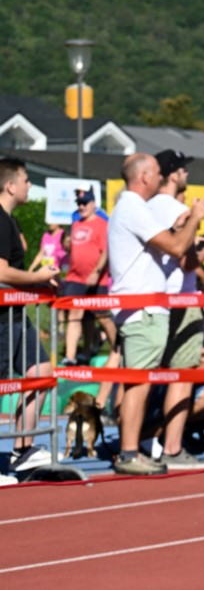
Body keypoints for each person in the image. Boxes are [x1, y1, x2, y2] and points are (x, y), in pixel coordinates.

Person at [105, 153, 204, 475]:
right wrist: (194, 218)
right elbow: (177, 249)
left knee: (139, 382)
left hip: (142, 307)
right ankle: (129, 452)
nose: (161, 178)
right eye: (158, 173)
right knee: (138, 384)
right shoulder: (133, 207)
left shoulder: (133, 208)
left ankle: (131, 450)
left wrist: (177, 228)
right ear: (145, 176)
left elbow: (166, 243)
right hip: (143, 308)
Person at [144, 150, 204, 470]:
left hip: (152, 298)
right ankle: (173, 448)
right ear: (173, 174)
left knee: (145, 375)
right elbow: (186, 260)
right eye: (184, 170)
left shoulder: (146, 207)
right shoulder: (178, 210)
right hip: (180, 298)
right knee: (183, 374)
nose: (187, 175)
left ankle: (140, 442)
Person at [0, 159, 59, 476]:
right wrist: (37, 277)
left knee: (41, 371)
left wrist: (37, 283)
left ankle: (22, 450)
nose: (29, 185)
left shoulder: (10, 221)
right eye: (25, 180)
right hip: (2, 317)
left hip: (16, 313)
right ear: (10, 186)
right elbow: (1, 272)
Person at [61, 189, 115, 366]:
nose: (82, 206)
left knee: (101, 316)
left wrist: (97, 271)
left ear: (93, 204)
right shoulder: (76, 224)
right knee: (75, 314)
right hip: (75, 277)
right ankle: (70, 356)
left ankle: (117, 349)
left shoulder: (102, 224)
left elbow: (106, 250)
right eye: (79, 203)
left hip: (97, 279)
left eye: (85, 203)